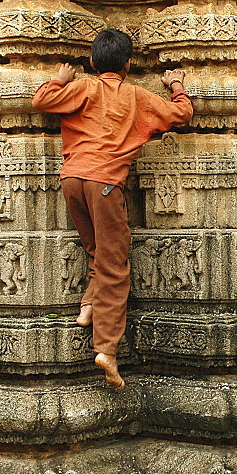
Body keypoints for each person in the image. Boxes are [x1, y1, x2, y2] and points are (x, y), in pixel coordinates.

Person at [32, 29, 193, 388]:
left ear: (91, 62)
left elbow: (42, 99)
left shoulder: (82, 87)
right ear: (129, 64)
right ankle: (106, 348)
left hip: (71, 180)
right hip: (105, 184)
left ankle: (89, 305)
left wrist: (60, 78)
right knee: (114, 264)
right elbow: (182, 114)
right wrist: (177, 83)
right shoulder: (137, 96)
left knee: (96, 249)